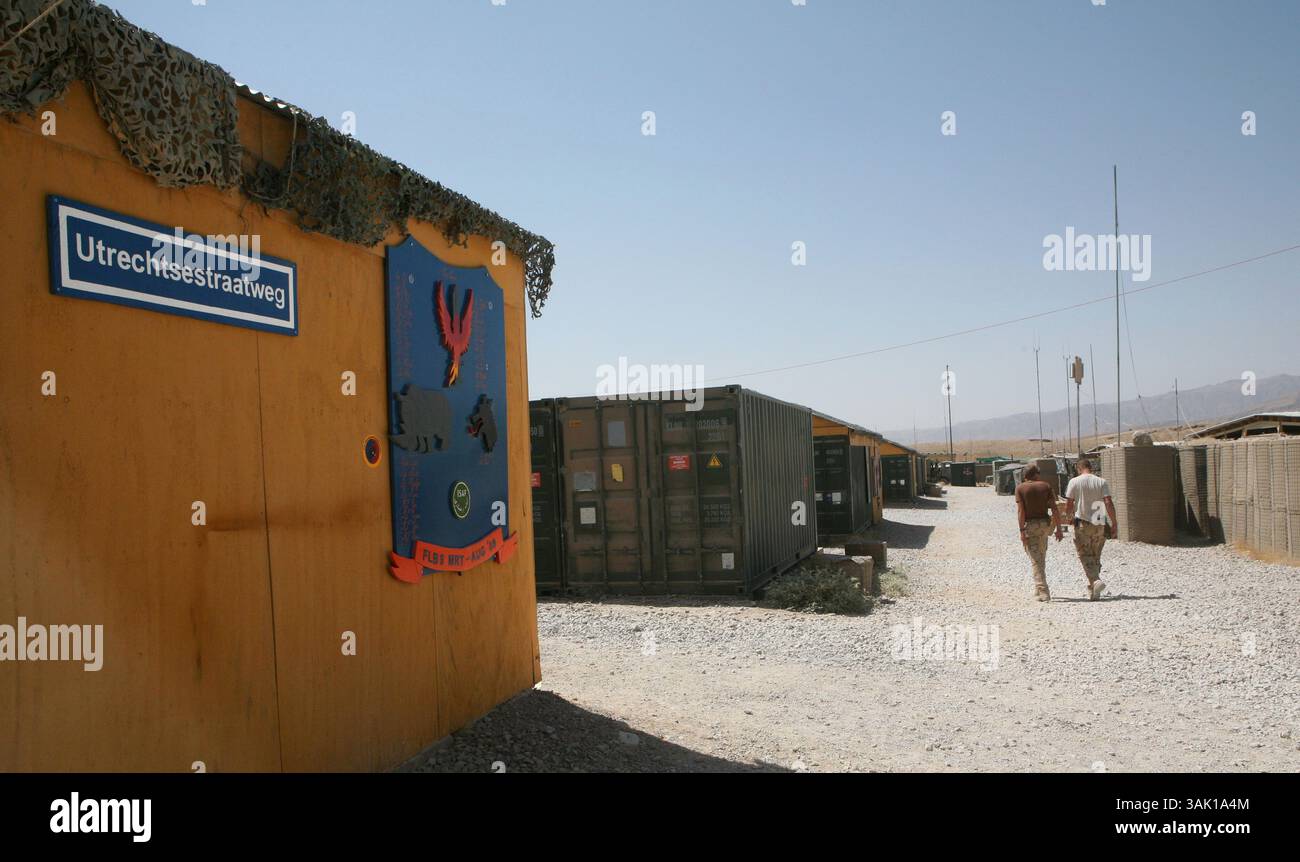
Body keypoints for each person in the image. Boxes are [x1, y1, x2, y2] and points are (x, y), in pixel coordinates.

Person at [1063, 458, 1118, 601]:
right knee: (1095, 555)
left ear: (1078, 468)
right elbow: (1108, 502)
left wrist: (1068, 516)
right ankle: (1094, 591)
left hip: (1083, 523)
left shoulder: (1074, 482)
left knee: (1085, 554)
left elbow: (1069, 503)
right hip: (1099, 521)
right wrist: (1114, 523)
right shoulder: (1101, 481)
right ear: (1091, 468)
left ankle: (1095, 580)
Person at [1015, 464, 1063, 602]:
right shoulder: (1046, 486)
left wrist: (1022, 530)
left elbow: (1021, 511)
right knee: (1040, 555)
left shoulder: (1021, 488)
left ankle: (1043, 591)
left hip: (1030, 525)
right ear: (1036, 474)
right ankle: (1038, 588)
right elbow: (1055, 509)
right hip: (1044, 525)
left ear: (1025, 476)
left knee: (1035, 558)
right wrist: (1059, 528)